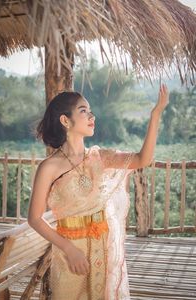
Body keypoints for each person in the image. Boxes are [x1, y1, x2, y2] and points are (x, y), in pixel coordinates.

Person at [28, 84, 169, 300]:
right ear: (65, 121)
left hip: (103, 249)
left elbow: (142, 159)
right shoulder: (49, 167)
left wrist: (156, 114)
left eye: (91, 111)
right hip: (70, 254)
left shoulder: (100, 157)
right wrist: (69, 249)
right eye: (83, 111)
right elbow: (35, 219)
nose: (91, 116)